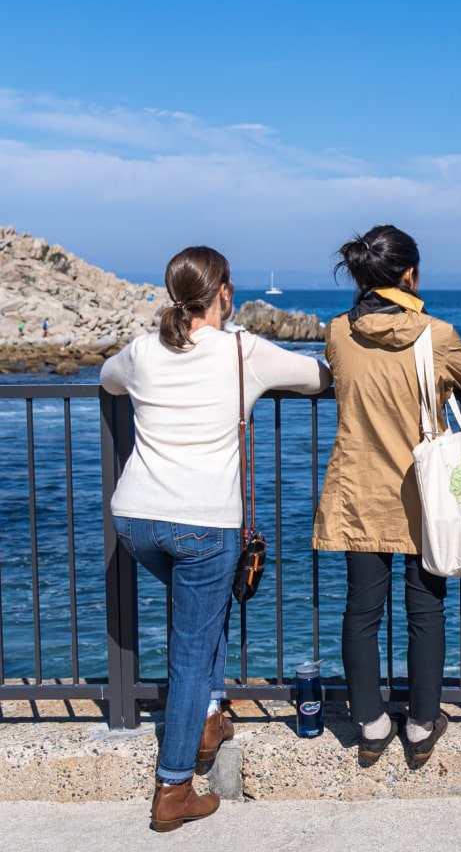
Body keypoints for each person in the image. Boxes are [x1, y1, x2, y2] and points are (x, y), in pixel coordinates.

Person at [100, 246, 330, 831]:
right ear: (224, 291)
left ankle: (208, 716)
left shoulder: (144, 350)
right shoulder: (241, 351)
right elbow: (318, 378)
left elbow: (108, 378)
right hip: (204, 525)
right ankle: (173, 789)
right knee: (191, 650)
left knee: (202, 619)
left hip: (135, 521)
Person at [313, 225, 461, 770]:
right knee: (425, 611)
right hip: (422, 492)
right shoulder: (436, 334)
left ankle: (370, 722)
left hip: (360, 489)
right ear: (409, 274)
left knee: (361, 611)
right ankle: (420, 721)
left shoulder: (339, 331)